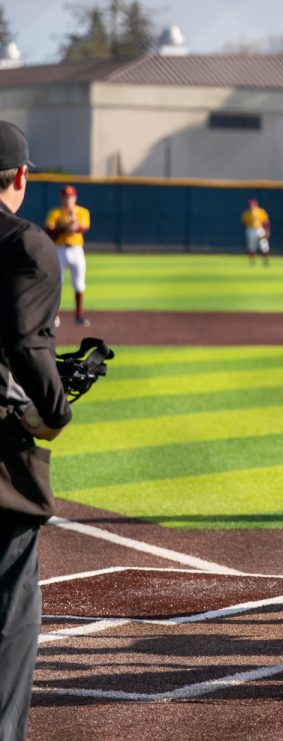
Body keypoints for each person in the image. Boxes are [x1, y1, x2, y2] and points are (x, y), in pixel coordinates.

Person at [0, 121, 72, 740]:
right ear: (21, 177)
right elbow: (27, 341)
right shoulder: (25, 243)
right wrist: (55, 408)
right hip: (0, 456)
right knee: (10, 609)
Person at [44, 184, 91, 326]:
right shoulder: (55, 213)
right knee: (57, 284)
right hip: (60, 250)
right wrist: (65, 227)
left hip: (77, 250)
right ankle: (54, 316)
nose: (68, 200)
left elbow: (82, 228)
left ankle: (79, 316)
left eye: (70, 197)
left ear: (75, 198)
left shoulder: (82, 212)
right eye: (65, 197)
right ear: (61, 198)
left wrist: (73, 224)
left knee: (79, 284)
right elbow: (49, 231)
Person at [242, 197, 271, 266]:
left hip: (260, 229)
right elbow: (244, 222)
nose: (252, 206)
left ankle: (265, 262)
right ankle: (252, 262)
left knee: (264, 246)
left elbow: (266, 222)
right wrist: (248, 229)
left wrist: (267, 231)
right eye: (251, 205)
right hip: (251, 229)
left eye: (253, 205)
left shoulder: (261, 211)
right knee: (252, 247)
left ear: (256, 205)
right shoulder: (246, 213)